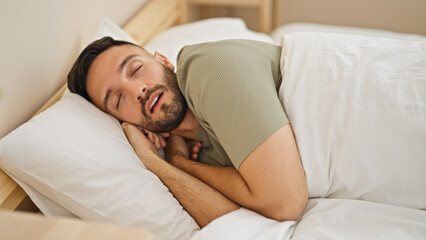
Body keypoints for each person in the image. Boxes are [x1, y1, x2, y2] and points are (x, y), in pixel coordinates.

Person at [67, 36, 308, 227]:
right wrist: (157, 162)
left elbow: (285, 204)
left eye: (136, 69)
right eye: (119, 100)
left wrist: (180, 164)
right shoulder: (197, 152)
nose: (137, 90)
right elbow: (241, 226)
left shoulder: (209, 67)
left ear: (163, 60)